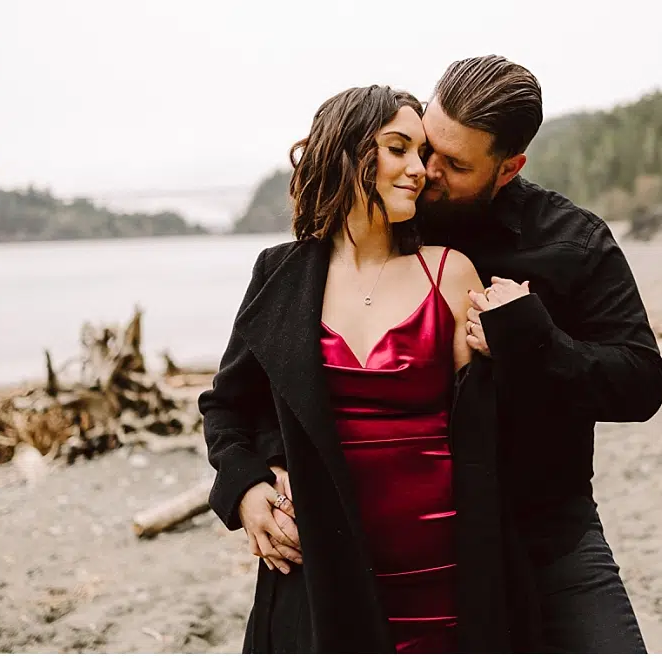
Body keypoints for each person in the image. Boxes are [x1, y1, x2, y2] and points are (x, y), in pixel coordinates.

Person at [198, 85, 532, 653]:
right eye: (398, 148)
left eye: (422, 154)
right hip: (323, 566)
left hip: (447, 570)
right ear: (347, 152)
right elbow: (227, 404)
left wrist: (521, 342)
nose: (419, 170)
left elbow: (500, 425)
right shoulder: (280, 275)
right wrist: (247, 490)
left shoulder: (450, 274)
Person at [414, 55, 662, 653]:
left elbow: (642, 382)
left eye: (455, 164)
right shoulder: (386, 221)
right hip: (417, 542)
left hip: (548, 532)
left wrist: (535, 341)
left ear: (509, 168)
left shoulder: (573, 241)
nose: (428, 172)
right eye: (428, 146)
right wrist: (251, 476)